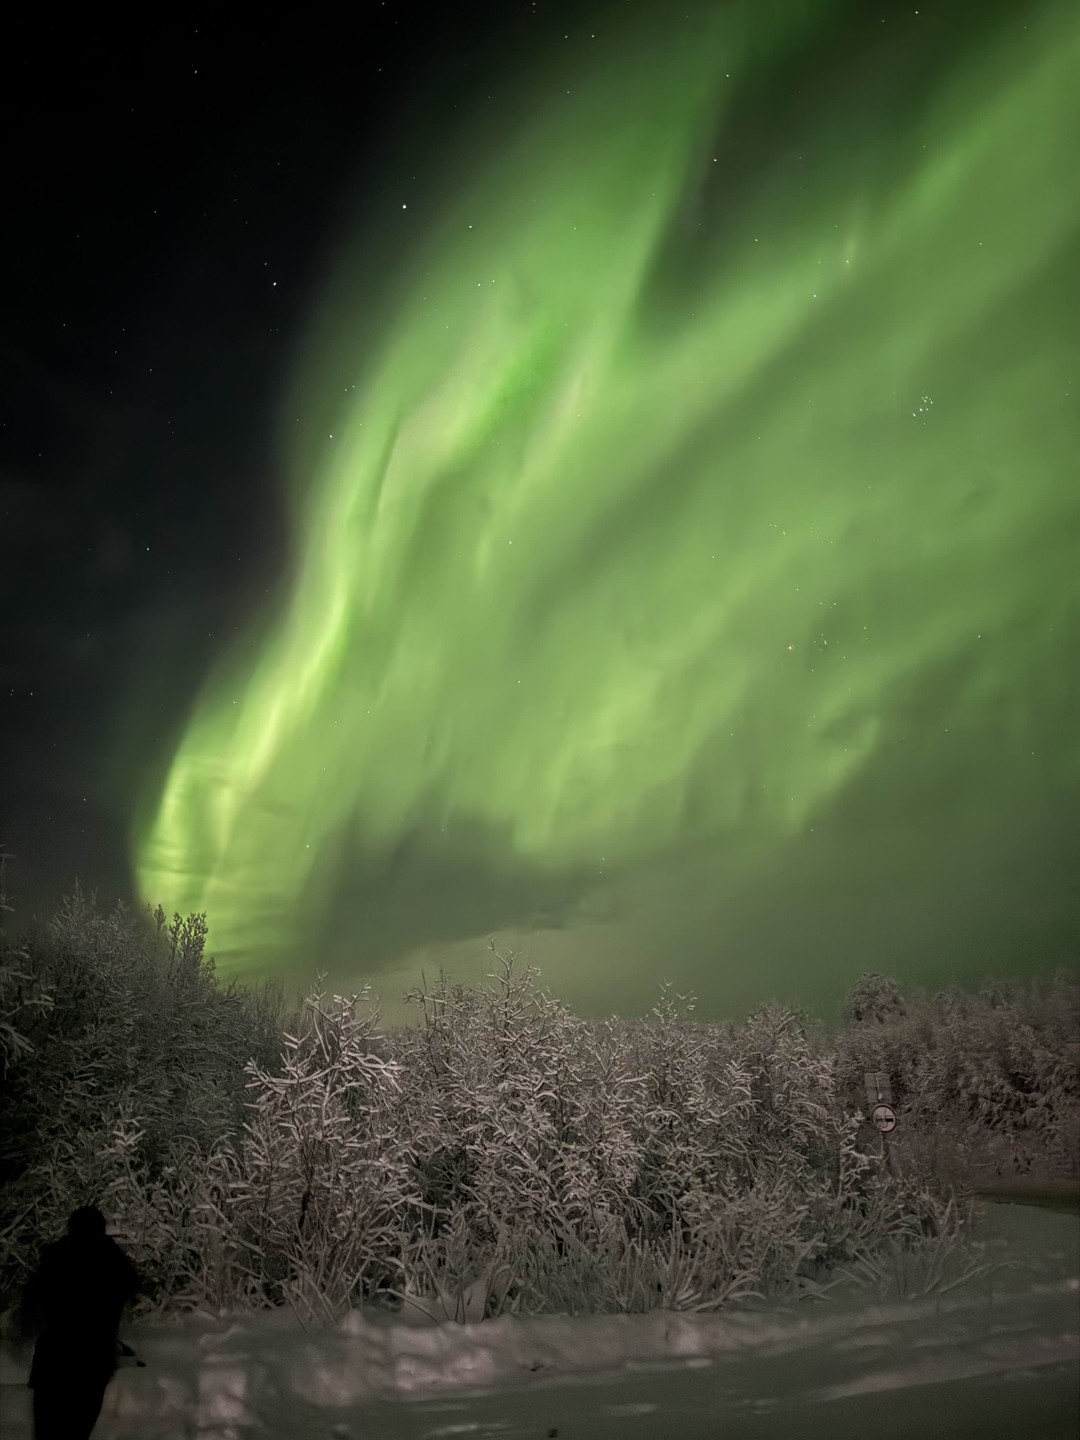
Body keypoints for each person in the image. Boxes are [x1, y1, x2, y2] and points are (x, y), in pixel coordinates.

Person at [16, 1205, 143, 1440]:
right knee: (77, 1431)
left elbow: (30, 1305)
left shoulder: (56, 1255)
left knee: (47, 1431)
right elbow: (132, 1287)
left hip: (54, 1361)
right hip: (92, 1363)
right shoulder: (112, 1259)